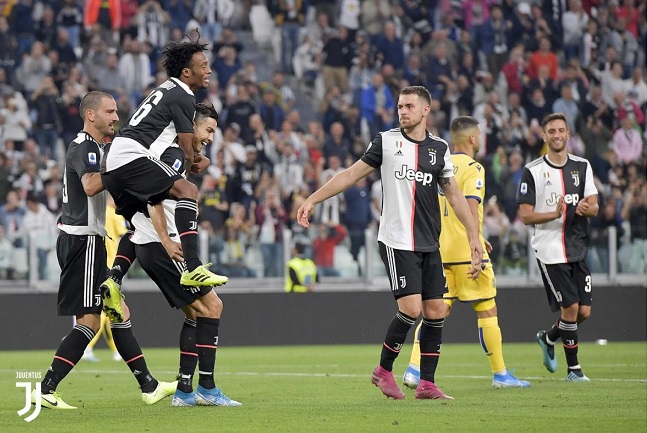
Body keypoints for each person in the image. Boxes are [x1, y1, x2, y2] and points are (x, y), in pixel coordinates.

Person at [297, 86, 483, 400]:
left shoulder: (438, 148)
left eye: (409, 106)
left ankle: (427, 384)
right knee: (411, 308)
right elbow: (350, 174)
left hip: (429, 242)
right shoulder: (386, 141)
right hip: (397, 240)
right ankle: (384, 371)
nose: (403, 111)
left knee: (436, 310)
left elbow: (453, 193)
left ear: (426, 109)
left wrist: (474, 236)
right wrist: (312, 199)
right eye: (400, 106)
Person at [32, 92, 176, 410]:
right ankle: (45, 388)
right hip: (82, 241)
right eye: (109, 111)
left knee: (118, 311)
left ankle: (149, 386)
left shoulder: (98, 148)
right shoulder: (84, 146)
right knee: (90, 322)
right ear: (91, 115)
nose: (115, 116)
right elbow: (89, 185)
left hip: (92, 242)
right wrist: (128, 171)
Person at [103, 102, 242, 407]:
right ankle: (206, 388)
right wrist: (166, 238)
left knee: (195, 315)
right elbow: (154, 200)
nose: (210, 138)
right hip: (161, 244)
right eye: (207, 130)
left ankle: (184, 391)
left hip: (145, 242)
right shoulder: (173, 155)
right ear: (190, 126)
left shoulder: (160, 150)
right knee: (213, 307)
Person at [100, 36, 227, 323]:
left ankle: (114, 278)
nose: (208, 70)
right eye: (203, 65)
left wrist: (195, 159)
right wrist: (197, 160)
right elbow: (186, 148)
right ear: (186, 72)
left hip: (115, 163)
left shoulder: (165, 89)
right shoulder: (183, 95)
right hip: (131, 156)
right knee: (187, 189)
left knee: (138, 227)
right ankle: (194, 264)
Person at [402, 116, 530, 389]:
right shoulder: (473, 168)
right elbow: (470, 207)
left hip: (438, 251)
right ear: (472, 139)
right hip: (467, 252)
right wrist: (476, 243)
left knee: (434, 313)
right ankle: (500, 374)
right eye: (479, 134)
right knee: (487, 310)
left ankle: (413, 369)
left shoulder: (438, 164)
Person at [517, 112, 599, 382]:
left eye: (560, 130)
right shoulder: (533, 171)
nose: (556, 135)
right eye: (551, 131)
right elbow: (526, 215)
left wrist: (589, 209)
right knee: (571, 309)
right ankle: (574, 370)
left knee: (583, 312)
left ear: (568, 134)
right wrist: (553, 214)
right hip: (550, 250)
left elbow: (594, 204)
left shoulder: (582, 166)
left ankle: (548, 337)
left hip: (578, 247)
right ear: (544, 135)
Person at [81, 194, 125, 363]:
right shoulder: (114, 214)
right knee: (107, 310)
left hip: (96, 262)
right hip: (112, 265)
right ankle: (88, 346)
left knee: (107, 310)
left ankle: (115, 351)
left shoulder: (95, 212)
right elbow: (122, 238)